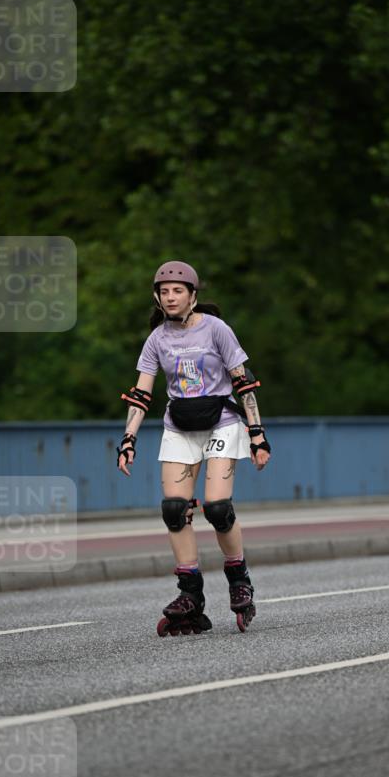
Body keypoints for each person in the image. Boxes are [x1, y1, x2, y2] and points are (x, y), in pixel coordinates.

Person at [117, 260, 271, 635]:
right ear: (157, 296)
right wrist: (128, 439)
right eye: (164, 292)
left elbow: (244, 383)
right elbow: (141, 394)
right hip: (180, 426)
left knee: (217, 509)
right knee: (174, 509)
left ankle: (238, 578)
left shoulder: (216, 329)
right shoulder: (157, 339)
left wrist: (257, 434)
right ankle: (191, 595)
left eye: (178, 291)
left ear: (193, 295)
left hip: (220, 420)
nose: (171, 297)